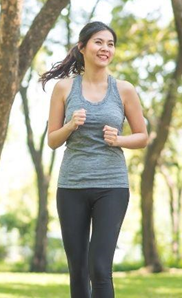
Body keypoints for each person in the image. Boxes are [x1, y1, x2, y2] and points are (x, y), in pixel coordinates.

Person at [40, 21, 148, 298]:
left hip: (111, 186)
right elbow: (53, 140)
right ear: (82, 47)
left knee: (99, 267)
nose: (105, 48)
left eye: (110, 44)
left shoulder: (124, 90)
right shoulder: (64, 89)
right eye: (99, 42)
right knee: (78, 270)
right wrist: (70, 125)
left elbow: (143, 136)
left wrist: (119, 140)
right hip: (72, 186)